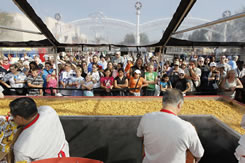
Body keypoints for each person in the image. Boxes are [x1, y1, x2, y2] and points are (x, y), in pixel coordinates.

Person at [137, 89, 204, 163]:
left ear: (162, 102)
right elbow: (199, 154)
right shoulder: (187, 127)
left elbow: (140, 135)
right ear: (179, 105)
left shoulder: (146, 118)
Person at [9, 97, 69, 162]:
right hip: (65, 158)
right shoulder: (49, 111)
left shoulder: (21, 147)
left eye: (13, 116)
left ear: (19, 118)